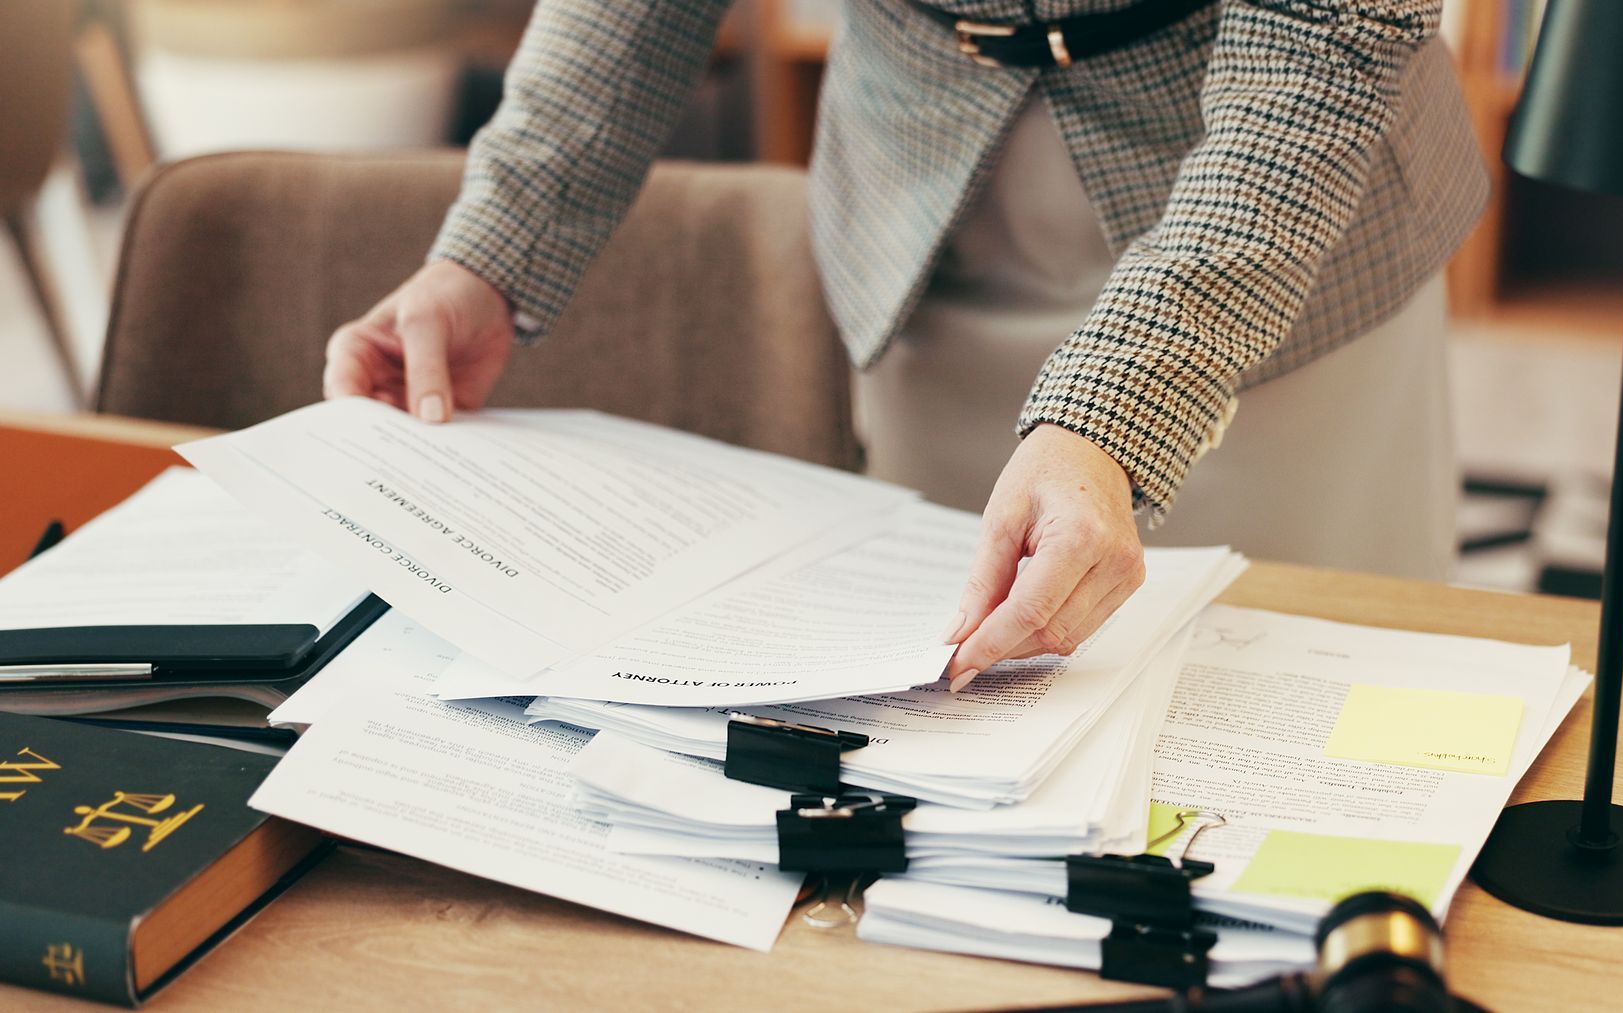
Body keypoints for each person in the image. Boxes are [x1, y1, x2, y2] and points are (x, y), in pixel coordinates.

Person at [323, 0, 1487, 690]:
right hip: (921, 184)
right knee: (967, 693)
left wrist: (1117, 409)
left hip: (1272, 220)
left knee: (1302, 680)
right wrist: (494, 243)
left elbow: (1328, 34)